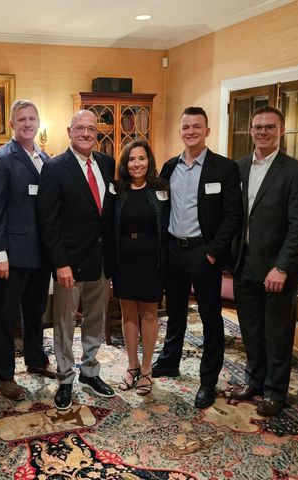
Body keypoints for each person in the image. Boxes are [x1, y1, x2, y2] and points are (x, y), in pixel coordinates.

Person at [151, 106, 242, 409]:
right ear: (180, 131)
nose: (191, 131)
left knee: (209, 317)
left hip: (204, 253)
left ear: (207, 131)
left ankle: (208, 380)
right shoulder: (168, 167)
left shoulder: (224, 168)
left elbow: (233, 215)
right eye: (186, 127)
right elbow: (159, 208)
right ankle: (168, 361)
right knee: (174, 311)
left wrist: (214, 253)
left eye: (197, 127)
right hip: (174, 251)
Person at [231, 105, 298, 417]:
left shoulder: (296, 172)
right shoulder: (238, 168)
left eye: (270, 127)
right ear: (251, 131)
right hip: (244, 262)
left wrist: (281, 267)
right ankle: (254, 380)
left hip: (277, 267)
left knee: (277, 331)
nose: (263, 131)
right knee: (251, 328)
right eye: (258, 127)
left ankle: (275, 391)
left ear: (280, 131)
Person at [37, 110, 116, 411]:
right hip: (69, 263)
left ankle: (90, 370)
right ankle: (66, 377)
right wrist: (60, 263)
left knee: (95, 320)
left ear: (98, 134)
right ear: (69, 131)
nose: (86, 133)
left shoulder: (107, 164)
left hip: (100, 261)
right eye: (80, 128)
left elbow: (108, 216)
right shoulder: (55, 167)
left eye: (91, 129)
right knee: (64, 323)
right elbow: (48, 221)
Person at [0, 99, 55, 401]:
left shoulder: (46, 157)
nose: (27, 124)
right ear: (12, 124)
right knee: (4, 315)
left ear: (38, 123)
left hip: (41, 254)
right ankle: (4, 374)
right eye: (21, 119)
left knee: (36, 312)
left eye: (32, 119)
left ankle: (36, 360)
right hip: (11, 256)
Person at [112, 140, 169, 396]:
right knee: (128, 313)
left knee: (149, 313)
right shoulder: (118, 190)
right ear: (125, 164)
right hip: (124, 260)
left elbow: (168, 225)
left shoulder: (161, 189)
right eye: (132, 159)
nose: (137, 164)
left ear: (149, 161)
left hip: (152, 260)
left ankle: (146, 369)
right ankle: (132, 366)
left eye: (142, 158)